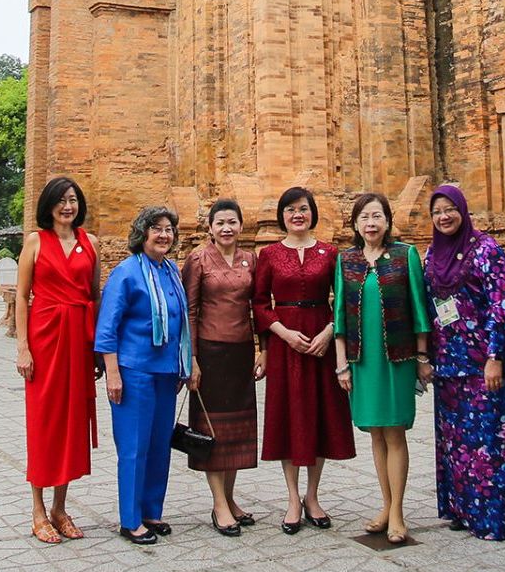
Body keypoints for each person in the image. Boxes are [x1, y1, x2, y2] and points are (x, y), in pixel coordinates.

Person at [424, 183, 505, 541]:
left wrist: (495, 357)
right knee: (457, 441)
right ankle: (464, 510)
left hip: (487, 360)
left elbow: (502, 304)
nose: (444, 217)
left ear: (463, 210)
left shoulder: (486, 249)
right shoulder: (431, 255)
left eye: (449, 209)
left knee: (494, 440)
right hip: (450, 360)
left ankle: (499, 518)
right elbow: (429, 308)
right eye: (437, 212)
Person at [333, 192, 432, 546]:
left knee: (395, 432)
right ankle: (386, 506)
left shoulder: (405, 255)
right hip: (363, 359)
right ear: (356, 224)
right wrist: (342, 365)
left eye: (376, 216)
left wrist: (422, 357)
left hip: (398, 357)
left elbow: (420, 308)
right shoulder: (347, 260)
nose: (370, 223)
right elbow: (340, 315)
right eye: (364, 218)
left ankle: (399, 513)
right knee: (375, 433)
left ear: (387, 221)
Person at [253, 186, 353, 534]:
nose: (298, 214)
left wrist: (329, 332)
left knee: (318, 414)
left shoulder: (329, 252)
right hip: (286, 341)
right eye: (291, 209)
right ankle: (293, 497)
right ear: (282, 215)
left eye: (303, 209)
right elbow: (259, 303)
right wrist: (281, 334)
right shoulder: (269, 254)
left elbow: (342, 300)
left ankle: (313, 495)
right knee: (288, 414)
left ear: (313, 213)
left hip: (320, 341)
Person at [95, 204, 190, 545]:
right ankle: (130, 519)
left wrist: (183, 364)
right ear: (142, 234)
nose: (164, 235)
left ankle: (151, 510)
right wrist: (113, 373)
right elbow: (107, 327)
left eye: (169, 229)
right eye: (157, 228)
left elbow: (181, 322)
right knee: (134, 446)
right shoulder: (127, 272)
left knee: (159, 445)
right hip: (134, 371)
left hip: (165, 372)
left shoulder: (170, 271)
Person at [14, 176, 101, 544]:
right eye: (61, 200)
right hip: (45, 337)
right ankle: (37, 509)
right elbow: (21, 297)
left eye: (73, 200)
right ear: (48, 205)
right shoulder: (35, 241)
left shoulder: (90, 243)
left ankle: (60, 507)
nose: (68, 207)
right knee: (44, 421)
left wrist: (98, 348)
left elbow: (95, 297)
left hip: (78, 340)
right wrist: (23, 346)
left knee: (71, 423)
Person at [182, 198, 263, 536]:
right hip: (211, 354)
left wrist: (262, 349)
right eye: (220, 223)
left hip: (241, 351)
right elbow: (190, 310)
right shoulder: (198, 259)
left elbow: (258, 306)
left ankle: (230, 499)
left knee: (236, 432)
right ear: (210, 228)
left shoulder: (250, 259)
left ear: (241, 226)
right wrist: (192, 360)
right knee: (213, 431)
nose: (227, 228)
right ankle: (218, 504)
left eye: (232, 222)